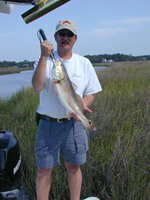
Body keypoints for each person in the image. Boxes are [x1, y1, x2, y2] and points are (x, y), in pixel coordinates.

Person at [32, 19, 102, 200]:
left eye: (69, 34)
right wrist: (43, 56)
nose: (65, 38)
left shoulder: (84, 63)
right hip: (48, 125)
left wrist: (83, 105)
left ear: (75, 39)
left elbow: (91, 92)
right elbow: (37, 86)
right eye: (62, 34)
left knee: (73, 167)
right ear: (55, 37)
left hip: (75, 124)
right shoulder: (45, 60)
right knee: (43, 169)